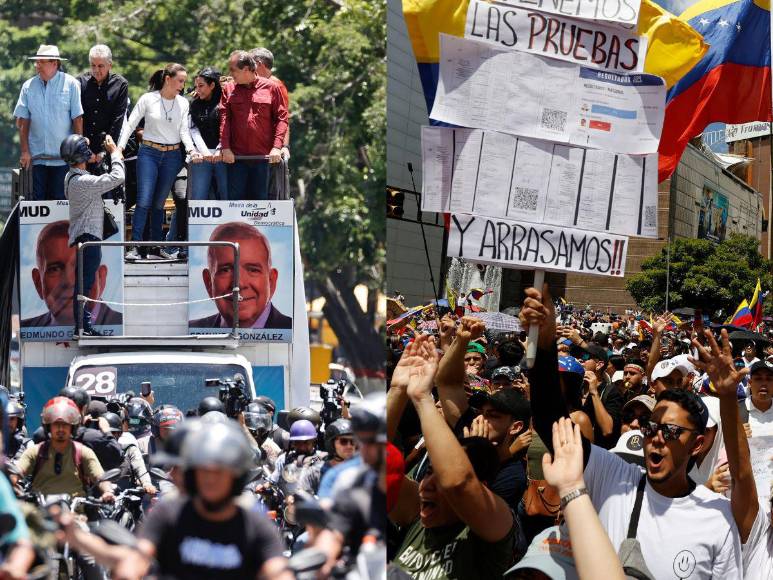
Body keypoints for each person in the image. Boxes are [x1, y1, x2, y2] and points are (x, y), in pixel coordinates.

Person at [521, 284, 742, 578]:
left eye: (672, 431)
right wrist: (546, 339)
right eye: (652, 427)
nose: (657, 438)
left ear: (698, 444)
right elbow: (553, 422)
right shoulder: (614, 478)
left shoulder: (717, 517)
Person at [56, 420, 291, 579]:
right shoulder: (169, 515)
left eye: (220, 473)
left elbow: (277, 570)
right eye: (204, 472)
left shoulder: (254, 524)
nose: (211, 480)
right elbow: (139, 557)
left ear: (236, 477)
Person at [388, 334, 517, 579]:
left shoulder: (494, 526)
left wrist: (423, 398)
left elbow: (458, 483)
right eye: (427, 472)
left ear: (483, 487)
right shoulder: (417, 514)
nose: (426, 485)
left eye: (441, 475)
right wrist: (398, 391)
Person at [506, 418, 630, 579]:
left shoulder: (580, 419)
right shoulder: (534, 419)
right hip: (529, 503)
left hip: (556, 509)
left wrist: (569, 497)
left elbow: (584, 468)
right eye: (527, 576)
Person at [117, 63, 200, 260]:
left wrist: (190, 150)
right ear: (168, 79)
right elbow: (130, 124)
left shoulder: (183, 103)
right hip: (149, 153)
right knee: (144, 200)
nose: (183, 85)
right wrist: (119, 148)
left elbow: (183, 131)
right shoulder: (148, 99)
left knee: (159, 203)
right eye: (180, 80)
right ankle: (136, 246)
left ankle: (155, 246)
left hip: (172, 156)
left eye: (184, 81)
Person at [60, 133, 126, 336]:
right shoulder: (83, 182)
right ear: (81, 156)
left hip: (85, 237)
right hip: (88, 238)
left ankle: (83, 325)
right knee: (86, 283)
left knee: (86, 281)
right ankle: (82, 327)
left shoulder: (71, 177)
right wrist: (115, 154)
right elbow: (118, 177)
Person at [20, 219, 122, 329]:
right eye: (55, 269)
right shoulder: (27, 327)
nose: (69, 281)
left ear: (101, 279)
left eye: (81, 266)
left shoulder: (121, 324)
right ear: (38, 283)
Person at [190, 221, 291, 329]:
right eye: (225, 270)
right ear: (209, 283)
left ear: (271, 282)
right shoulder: (192, 330)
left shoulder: (295, 330)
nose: (239, 284)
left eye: (253, 270)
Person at [14, 44, 83, 200]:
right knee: (37, 204)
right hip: (37, 159)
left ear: (54, 63)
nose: (37, 66)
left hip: (63, 160)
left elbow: (77, 119)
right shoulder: (28, 86)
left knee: (60, 203)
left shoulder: (71, 84)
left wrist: (79, 154)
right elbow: (23, 121)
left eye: (41, 62)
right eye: (36, 62)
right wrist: (25, 151)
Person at [12, 397, 114, 500]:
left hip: (76, 513)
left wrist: (108, 492)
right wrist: (11, 482)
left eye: (65, 424)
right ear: (48, 426)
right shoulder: (35, 451)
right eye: (56, 424)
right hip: (40, 512)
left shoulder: (83, 452)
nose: (60, 429)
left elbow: (100, 477)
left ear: (72, 427)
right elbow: (18, 471)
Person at [219, 51, 288, 200]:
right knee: (235, 204)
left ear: (245, 69)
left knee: (260, 205)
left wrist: (277, 147)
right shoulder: (229, 89)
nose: (230, 74)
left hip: (263, 159)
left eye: (233, 70)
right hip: (236, 159)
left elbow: (282, 119)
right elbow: (225, 120)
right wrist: (226, 148)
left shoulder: (272, 87)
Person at [76, 45, 129, 171]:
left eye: (100, 66)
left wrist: (105, 152)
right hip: (84, 149)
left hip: (108, 147)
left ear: (110, 65)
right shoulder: (79, 82)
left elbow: (118, 120)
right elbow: (76, 117)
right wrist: (85, 152)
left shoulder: (120, 84)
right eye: (93, 65)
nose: (96, 70)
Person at [188, 67, 228, 200]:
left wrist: (219, 149)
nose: (197, 90)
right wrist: (204, 152)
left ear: (212, 85)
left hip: (223, 156)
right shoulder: (194, 104)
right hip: (202, 157)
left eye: (201, 86)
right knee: (198, 197)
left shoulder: (225, 102)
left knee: (226, 196)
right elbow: (193, 130)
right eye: (196, 86)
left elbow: (227, 127)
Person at [249, 47, 290, 160]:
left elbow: (283, 119)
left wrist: (284, 146)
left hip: (270, 148)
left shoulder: (276, 85)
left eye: (250, 64)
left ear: (259, 64)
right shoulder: (249, 84)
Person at [741, 358, 773, 437]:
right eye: (758, 379)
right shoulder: (735, 411)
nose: (764, 383)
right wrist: (736, 438)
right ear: (750, 383)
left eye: (769, 379)